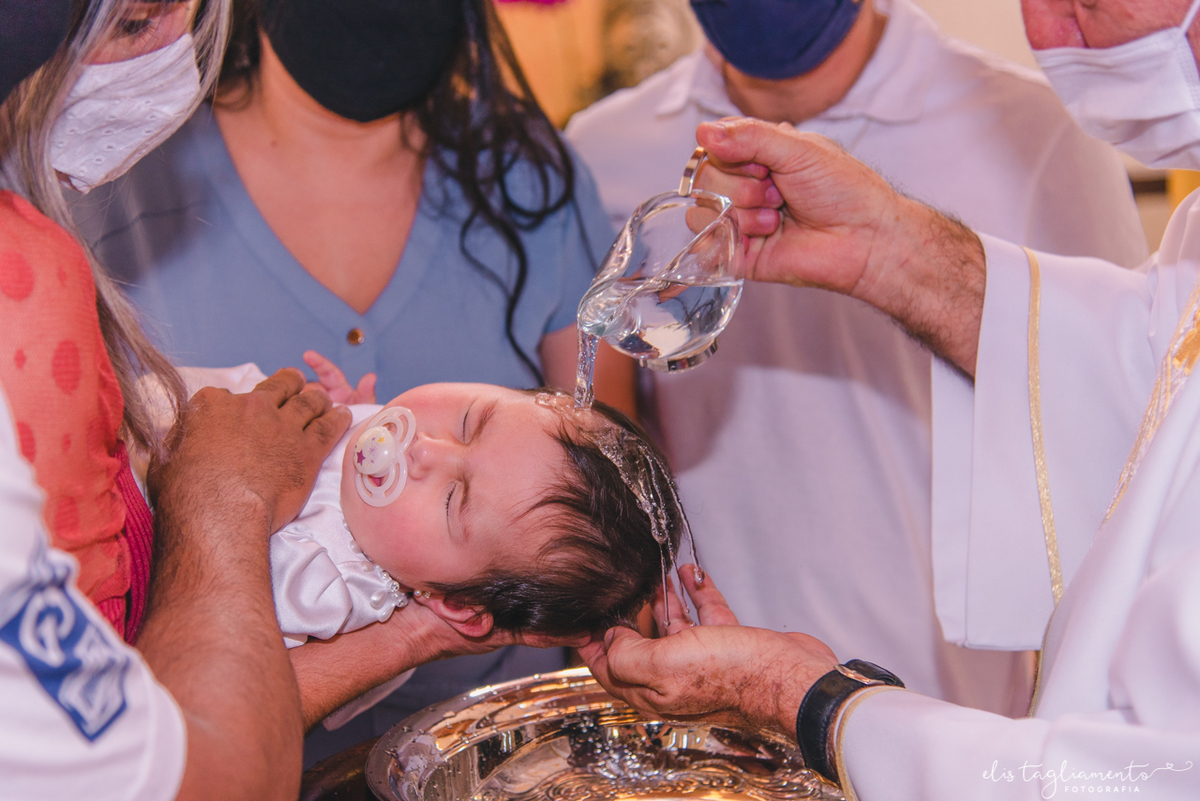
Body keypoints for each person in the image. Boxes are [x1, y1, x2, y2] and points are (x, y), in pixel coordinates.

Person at [582, 0, 1200, 798]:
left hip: (937, 706)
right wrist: (887, 250)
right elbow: (1149, 372)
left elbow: (1135, 773)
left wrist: (806, 697)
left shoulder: (1029, 127)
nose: (1047, 34)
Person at [71, 0, 633, 758]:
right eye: (466, 423)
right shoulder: (111, 167)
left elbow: (602, 485)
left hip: (489, 755)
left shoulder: (530, 180)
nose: (426, 448)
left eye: (459, 492)